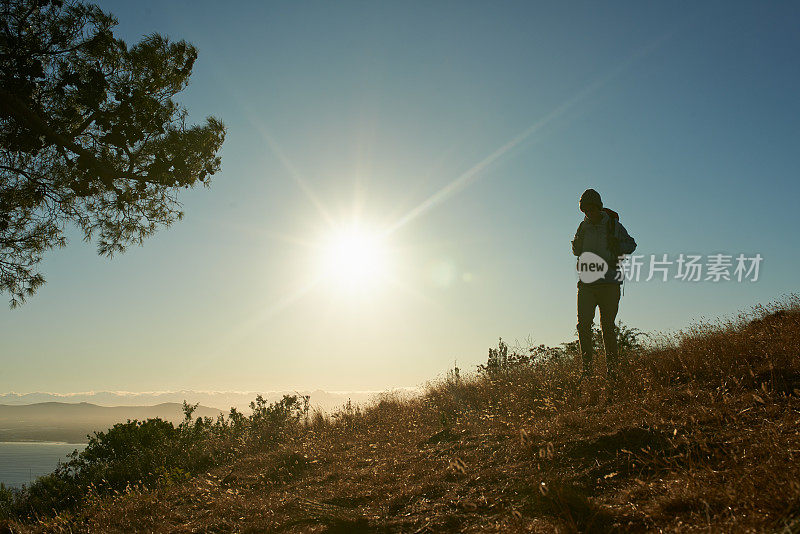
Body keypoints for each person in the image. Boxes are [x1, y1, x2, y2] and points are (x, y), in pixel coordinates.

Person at [571, 189, 636, 380]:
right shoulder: (582, 227)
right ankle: (587, 371)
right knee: (583, 326)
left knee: (607, 327)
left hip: (609, 283)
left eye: (591, 209)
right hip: (587, 283)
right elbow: (576, 250)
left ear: (598, 207)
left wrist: (619, 247)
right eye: (585, 210)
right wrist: (576, 246)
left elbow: (632, 244)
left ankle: (613, 371)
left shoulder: (614, 226)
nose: (588, 213)